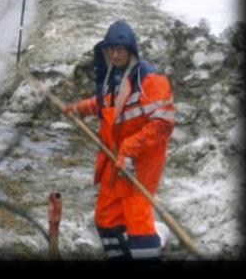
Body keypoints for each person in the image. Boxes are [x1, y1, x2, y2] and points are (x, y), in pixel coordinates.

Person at [64, 20, 175, 260]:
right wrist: (80, 108)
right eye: (110, 49)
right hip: (113, 163)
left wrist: (129, 148)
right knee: (106, 220)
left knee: (138, 225)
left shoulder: (150, 81)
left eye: (120, 50)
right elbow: (105, 104)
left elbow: (163, 124)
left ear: (131, 50)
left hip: (138, 166)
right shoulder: (110, 77)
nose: (115, 54)